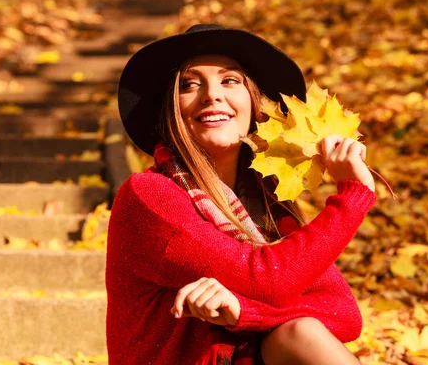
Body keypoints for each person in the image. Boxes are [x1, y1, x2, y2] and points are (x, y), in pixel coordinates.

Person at [106, 24, 376, 365]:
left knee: (300, 333)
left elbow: (344, 314)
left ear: (254, 101)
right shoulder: (149, 195)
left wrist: (245, 311)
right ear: (170, 110)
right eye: (188, 84)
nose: (211, 94)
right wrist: (354, 196)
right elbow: (268, 280)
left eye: (230, 80)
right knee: (299, 333)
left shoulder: (266, 204)